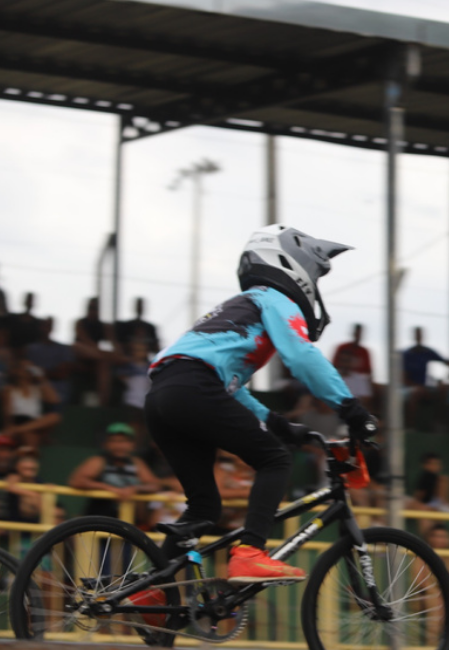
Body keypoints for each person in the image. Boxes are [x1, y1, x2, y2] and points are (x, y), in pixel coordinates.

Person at [143, 225, 378, 584]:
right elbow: (301, 357)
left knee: (204, 507)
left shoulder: (242, 305)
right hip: (193, 389)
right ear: (293, 265)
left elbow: (229, 389)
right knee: (274, 459)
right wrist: (351, 409)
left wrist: (277, 423)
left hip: (163, 395)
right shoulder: (274, 298)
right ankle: (251, 552)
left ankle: (150, 591)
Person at [67, 422, 161, 519]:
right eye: (114, 441)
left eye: (124, 441)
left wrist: (135, 489)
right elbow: (76, 481)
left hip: (128, 522)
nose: (119, 445)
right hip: (98, 520)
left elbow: (155, 485)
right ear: (106, 444)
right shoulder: (98, 461)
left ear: (132, 445)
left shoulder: (136, 463)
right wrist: (109, 488)